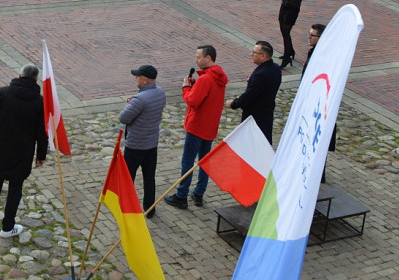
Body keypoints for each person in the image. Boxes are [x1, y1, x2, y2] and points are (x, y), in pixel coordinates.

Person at [0, 64, 48, 239]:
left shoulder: (3, 93)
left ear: (19, 75)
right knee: (16, 186)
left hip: (1, 147)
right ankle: (8, 227)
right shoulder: (39, 101)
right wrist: (41, 155)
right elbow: (41, 131)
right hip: (23, 152)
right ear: (35, 80)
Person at [164, 45, 228, 209]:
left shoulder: (205, 79)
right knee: (205, 161)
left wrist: (186, 88)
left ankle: (181, 195)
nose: (196, 59)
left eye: (198, 56)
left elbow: (193, 101)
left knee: (188, 162)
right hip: (210, 126)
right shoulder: (218, 77)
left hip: (197, 126)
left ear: (208, 58)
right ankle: (199, 193)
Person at [118, 64, 166, 216]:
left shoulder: (139, 99)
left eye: (137, 76)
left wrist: (131, 103)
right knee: (149, 177)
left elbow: (123, 118)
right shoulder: (160, 92)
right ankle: (149, 208)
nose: (135, 78)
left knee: (128, 178)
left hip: (135, 145)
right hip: (151, 144)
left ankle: (126, 207)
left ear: (144, 80)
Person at [226, 41, 283, 145]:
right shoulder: (275, 68)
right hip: (267, 113)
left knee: (252, 145)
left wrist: (233, 103)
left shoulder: (261, 74)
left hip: (255, 117)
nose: (251, 54)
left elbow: (249, 96)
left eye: (254, 52)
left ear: (263, 56)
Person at [302, 23, 336, 182]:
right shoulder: (314, 52)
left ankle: (317, 175)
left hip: (318, 105)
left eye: (312, 35)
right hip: (310, 102)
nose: (309, 38)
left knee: (318, 140)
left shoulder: (324, 57)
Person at [276, 0, 308, 68]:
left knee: (286, 32)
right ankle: (290, 51)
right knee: (283, 30)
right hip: (284, 6)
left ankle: (286, 57)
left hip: (293, 9)